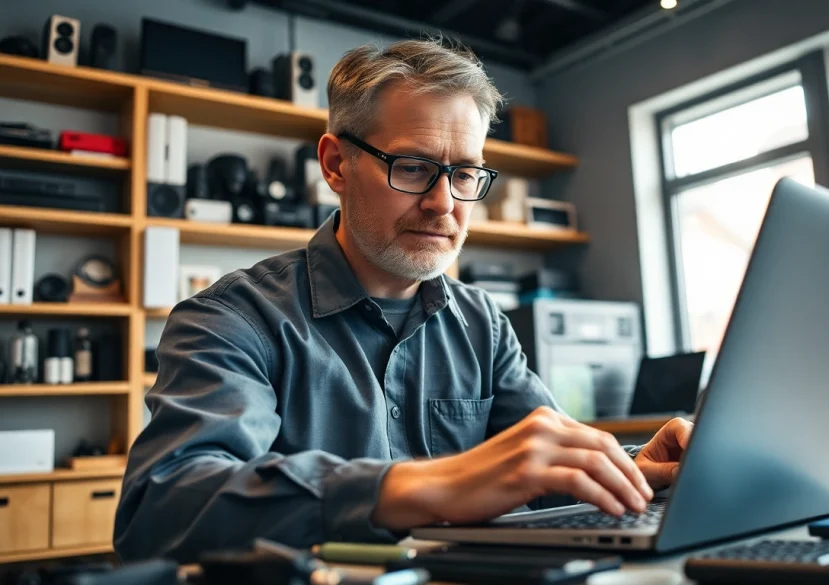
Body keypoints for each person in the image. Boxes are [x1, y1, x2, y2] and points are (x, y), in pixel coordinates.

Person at [114, 38, 693, 562]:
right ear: (337, 165)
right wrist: (426, 485)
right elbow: (159, 508)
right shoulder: (232, 320)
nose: (444, 203)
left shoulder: (482, 323)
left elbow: (537, 463)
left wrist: (630, 467)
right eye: (413, 167)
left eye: (464, 173)